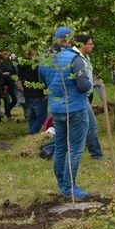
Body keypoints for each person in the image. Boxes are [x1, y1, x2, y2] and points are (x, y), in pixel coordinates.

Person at [38, 26, 92, 198]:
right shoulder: (75, 58)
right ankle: (69, 187)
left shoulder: (45, 59)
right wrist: (90, 84)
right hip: (75, 108)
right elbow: (83, 85)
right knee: (75, 148)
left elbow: (43, 83)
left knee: (60, 147)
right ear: (70, 40)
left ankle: (62, 184)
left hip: (56, 108)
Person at [73, 34, 103, 160]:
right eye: (90, 44)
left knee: (78, 127)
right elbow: (80, 80)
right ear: (82, 44)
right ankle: (96, 154)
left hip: (86, 94)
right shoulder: (76, 58)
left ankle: (48, 150)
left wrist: (94, 82)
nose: (93, 46)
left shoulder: (85, 57)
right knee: (91, 125)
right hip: (80, 96)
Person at [17, 49, 48, 134]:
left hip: (27, 93)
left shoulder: (22, 63)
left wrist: (24, 90)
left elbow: (19, 80)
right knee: (42, 116)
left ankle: (31, 132)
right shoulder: (39, 64)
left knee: (32, 116)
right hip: (38, 93)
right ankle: (32, 133)